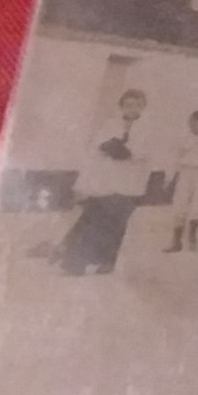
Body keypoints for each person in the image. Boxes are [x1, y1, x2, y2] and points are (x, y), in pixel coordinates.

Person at [57, 88, 153, 276]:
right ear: (121, 107)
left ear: (143, 107)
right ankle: (76, 262)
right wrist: (107, 146)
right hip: (107, 182)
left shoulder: (148, 127)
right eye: (128, 105)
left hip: (130, 183)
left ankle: (108, 262)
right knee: (95, 220)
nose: (132, 109)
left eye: (137, 105)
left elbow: (148, 151)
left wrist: (130, 152)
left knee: (118, 224)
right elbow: (96, 144)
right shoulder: (111, 123)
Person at [165, 109, 198, 253]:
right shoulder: (183, 139)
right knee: (180, 204)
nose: (197, 127)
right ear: (189, 124)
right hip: (186, 172)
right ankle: (176, 240)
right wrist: (169, 177)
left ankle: (193, 235)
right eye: (194, 124)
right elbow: (174, 159)